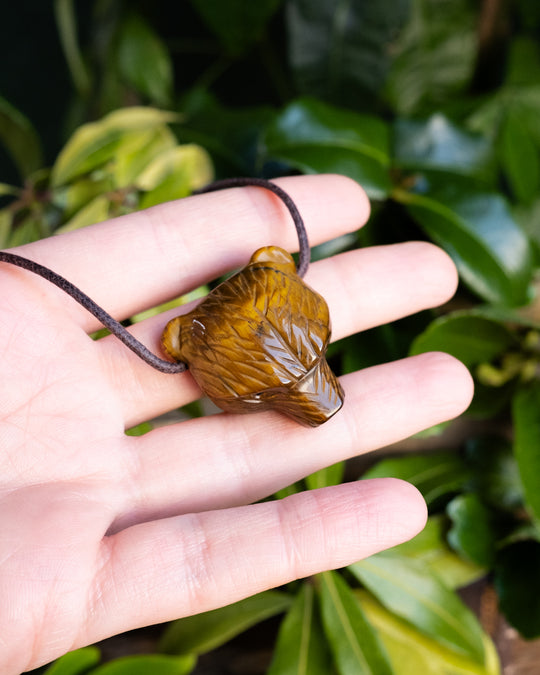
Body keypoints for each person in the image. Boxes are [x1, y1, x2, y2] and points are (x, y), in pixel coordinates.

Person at [0, 174, 473, 673]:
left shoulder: (208, 333)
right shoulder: (237, 309)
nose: (315, 397)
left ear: (277, 263)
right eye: (271, 389)